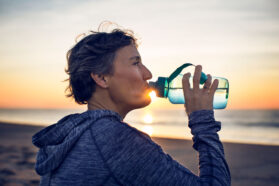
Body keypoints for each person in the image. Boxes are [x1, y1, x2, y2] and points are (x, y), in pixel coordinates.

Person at [32, 24, 231, 185]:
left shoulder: (72, 133)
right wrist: (202, 119)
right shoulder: (114, 139)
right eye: (136, 63)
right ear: (101, 78)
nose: (148, 74)